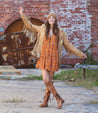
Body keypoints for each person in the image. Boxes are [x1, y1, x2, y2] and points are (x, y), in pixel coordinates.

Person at [19, 6, 87, 109]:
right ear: (47, 20)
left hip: (53, 58)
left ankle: (45, 101)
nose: (51, 20)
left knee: (49, 81)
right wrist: (22, 15)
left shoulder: (60, 32)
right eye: (50, 18)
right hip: (43, 57)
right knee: (46, 80)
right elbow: (30, 26)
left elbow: (68, 45)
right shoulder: (42, 28)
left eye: (53, 18)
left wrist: (80, 54)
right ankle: (58, 98)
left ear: (55, 20)